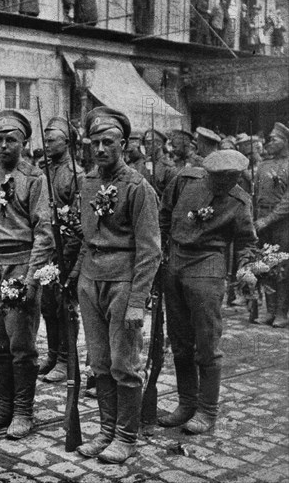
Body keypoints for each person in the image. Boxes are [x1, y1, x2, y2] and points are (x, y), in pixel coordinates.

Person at [74, 107, 161, 464]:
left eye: (107, 142)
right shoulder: (88, 183)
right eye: (94, 142)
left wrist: (138, 300)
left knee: (124, 364)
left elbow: (150, 250)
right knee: (99, 363)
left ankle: (126, 436)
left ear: (123, 144)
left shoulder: (139, 187)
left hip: (123, 281)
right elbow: (85, 236)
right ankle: (106, 431)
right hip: (90, 280)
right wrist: (75, 278)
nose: (100, 149)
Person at [159, 150, 257, 434]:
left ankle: (207, 411)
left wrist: (245, 266)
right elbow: (164, 214)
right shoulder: (184, 180)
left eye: (231, 179)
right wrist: (162, 252)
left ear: (237, 177)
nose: (224, 184)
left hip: (208, 265)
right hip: (175, 260)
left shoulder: (240, 202)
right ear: (207, 173)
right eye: (218, 178)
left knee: (207, 341)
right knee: (179, 340)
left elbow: (246, 241)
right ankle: (186, 403)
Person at [0, 109, 53, 439]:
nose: (3, 145)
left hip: (20, 265)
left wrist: (32, 278)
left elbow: (44, 231)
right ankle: (2, 408)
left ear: (25, 142)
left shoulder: (35, 179)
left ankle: (23, 411)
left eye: (11, 139)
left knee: (21, 344)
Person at [38, 117, 84, 384]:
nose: (46, 144)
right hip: (47, 247)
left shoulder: (74, 173)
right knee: (48, 305)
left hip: (66, 248)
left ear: (67, 142)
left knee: (65, 305)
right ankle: (54, 354)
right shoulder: (44, 169)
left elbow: (77, 222)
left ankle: (67, 360)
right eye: (45, 139)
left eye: (52, 139)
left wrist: (68, 256)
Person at [254, 122, 289, 328]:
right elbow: (256, 195)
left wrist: (269, 219)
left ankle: (282, 313)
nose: (269, 142)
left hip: (282, 223)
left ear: (285, 142)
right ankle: (270, 310)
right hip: (261, 221)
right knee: (265, 266)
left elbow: (287, 201)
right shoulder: (263, 165)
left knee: (282, 267)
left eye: (274, 139)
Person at [142, 129, 177, 197]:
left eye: (149, 143)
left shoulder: (168, 168)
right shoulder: (145, 164)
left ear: (159, 144)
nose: (146, 146)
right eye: (145, 143)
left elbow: (171, 197)